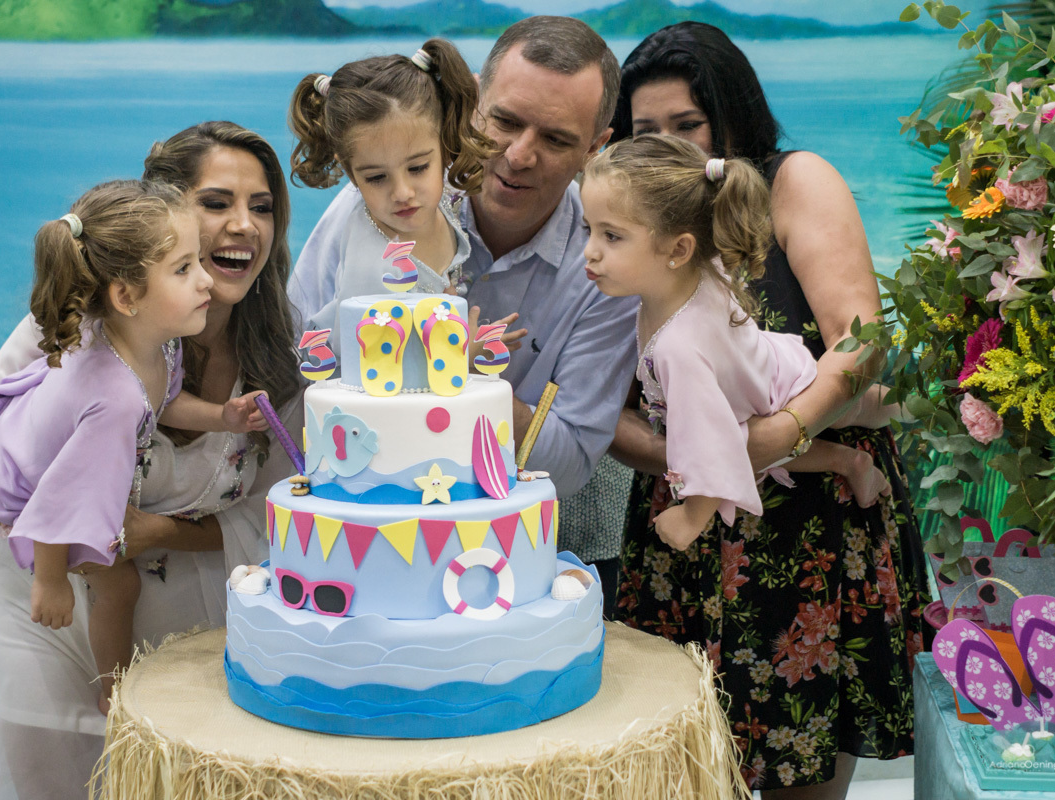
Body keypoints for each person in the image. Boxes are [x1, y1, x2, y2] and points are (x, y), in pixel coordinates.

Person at [0, 121, 302, 800]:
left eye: (263, 206)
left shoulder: (281, 350)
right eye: (216, 203)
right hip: (51, 629)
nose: (244, 225)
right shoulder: (80, 329)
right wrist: (70, 549)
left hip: (186, 654)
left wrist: (153, 531)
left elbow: (283, 515)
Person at [607, 23, 929, 798]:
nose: (670, 146)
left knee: (804, 779)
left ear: (733, 115)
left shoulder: (794, 182)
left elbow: (861, 340)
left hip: (814, 527)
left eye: (689, 124)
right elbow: (610, 404)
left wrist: (783, 433)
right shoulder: (625, 221)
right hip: (687, 533)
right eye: (646, 131)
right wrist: (711, 454)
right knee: (677, 774)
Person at [289, 17, 639, 525]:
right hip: (348, 521)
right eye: (506, 121)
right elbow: (294, 361)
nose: (518, 155)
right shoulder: (377, 204)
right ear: (473, 103)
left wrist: (462, 371)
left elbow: (569, 464)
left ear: (594, 148)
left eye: (556, 139)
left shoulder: (607, 272)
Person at [0, 179, 269, 714]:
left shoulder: (152, 342)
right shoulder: (113, 402)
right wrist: (51, 581)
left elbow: (163, 400)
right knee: (120, 585)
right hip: (21, 480)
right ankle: (117, 698)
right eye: (184, 269)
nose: (206, 279)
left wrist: (222, 416)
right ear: (126, 296)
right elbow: (58, 495)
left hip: (42, 447)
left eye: (198, 262)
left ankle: (117, 689)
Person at [583, 135, 897, 549]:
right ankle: (855, 456)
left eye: (611, 236)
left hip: (779, 383)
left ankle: (904, 408)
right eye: (589, 229)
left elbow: (711, 450)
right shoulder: (696, 269)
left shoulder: (679, 349)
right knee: (768, 438)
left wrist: (690, 518)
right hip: (755, 378)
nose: (589, 252)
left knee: (852, 409)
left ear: (678, 248)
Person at [290, 38, 516, 358]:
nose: (403, 193)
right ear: (351, 173)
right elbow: (364, 364)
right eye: (376, 177)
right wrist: (460, 355)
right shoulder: (374, 268)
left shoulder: (445, 199)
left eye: (418, 168)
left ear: (444, 145)